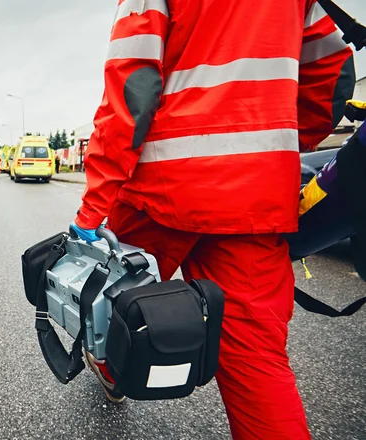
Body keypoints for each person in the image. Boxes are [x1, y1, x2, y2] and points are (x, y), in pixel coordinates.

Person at [70, 1, 355, 439]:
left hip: (159, 192)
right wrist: (265, 151)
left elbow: (133, 91)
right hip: (252, 202)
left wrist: (93, 209)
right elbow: (332, 78)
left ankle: (113, 369)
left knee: (114, 299)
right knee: (257, 363)